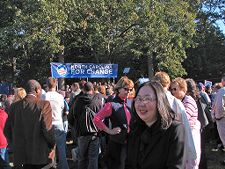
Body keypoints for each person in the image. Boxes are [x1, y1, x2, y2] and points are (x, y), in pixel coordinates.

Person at [125, 80, 186, 169]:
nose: (142, 104)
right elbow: (128, 164)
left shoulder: (174, 130)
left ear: (159, 101)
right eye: (139, 99)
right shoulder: (135, 129)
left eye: (147, 99)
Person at [4, 79, 55, 169]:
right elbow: (47, 130)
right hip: (40, 156)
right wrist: (52, 144)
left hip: (21, 156)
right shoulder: (44, 105)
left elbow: (7, 130)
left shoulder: (14, 106)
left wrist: (15, 144)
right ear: (37, 90)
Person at [154, 72, 197, 163]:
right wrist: (191, 151)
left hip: (158, 142)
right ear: (168, 84)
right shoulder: (176, 102)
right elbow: (185, 126)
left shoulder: (148, 100)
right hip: (171, 142)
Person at [93, 76, 134, 169]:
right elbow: (96, 119)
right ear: (119, 89)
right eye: (126, 89)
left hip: (131, 142)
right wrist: (109, 130)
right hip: (118, 143)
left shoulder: (130, 102)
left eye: (130, 89)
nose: (128, 91)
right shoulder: (111, 104)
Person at [71, 82, 104, 169]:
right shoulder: (98, 101)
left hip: (82, 133)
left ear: (83, 90)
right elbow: (102, 117)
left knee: (82, 158)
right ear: (92, 89)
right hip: (95, 133)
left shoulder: (77, 100)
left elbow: (72, 116)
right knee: (93, 158)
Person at [171, 77, 201, 169]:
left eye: (175, 89)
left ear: (183, 89)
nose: (172, 92)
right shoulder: (179, 101)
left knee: (191, 161)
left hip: (191, 134)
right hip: (186, 133)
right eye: (171, 89)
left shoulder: (188, 101)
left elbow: (184, 118)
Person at [45, 77, 69, 169]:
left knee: (48, 150)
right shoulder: (60, 97)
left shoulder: (44, 96)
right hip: (58, 123)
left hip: (48, 124)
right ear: (55, 85)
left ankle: (51, 166)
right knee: (61, 149)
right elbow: (63, 108)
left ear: (47, 85)